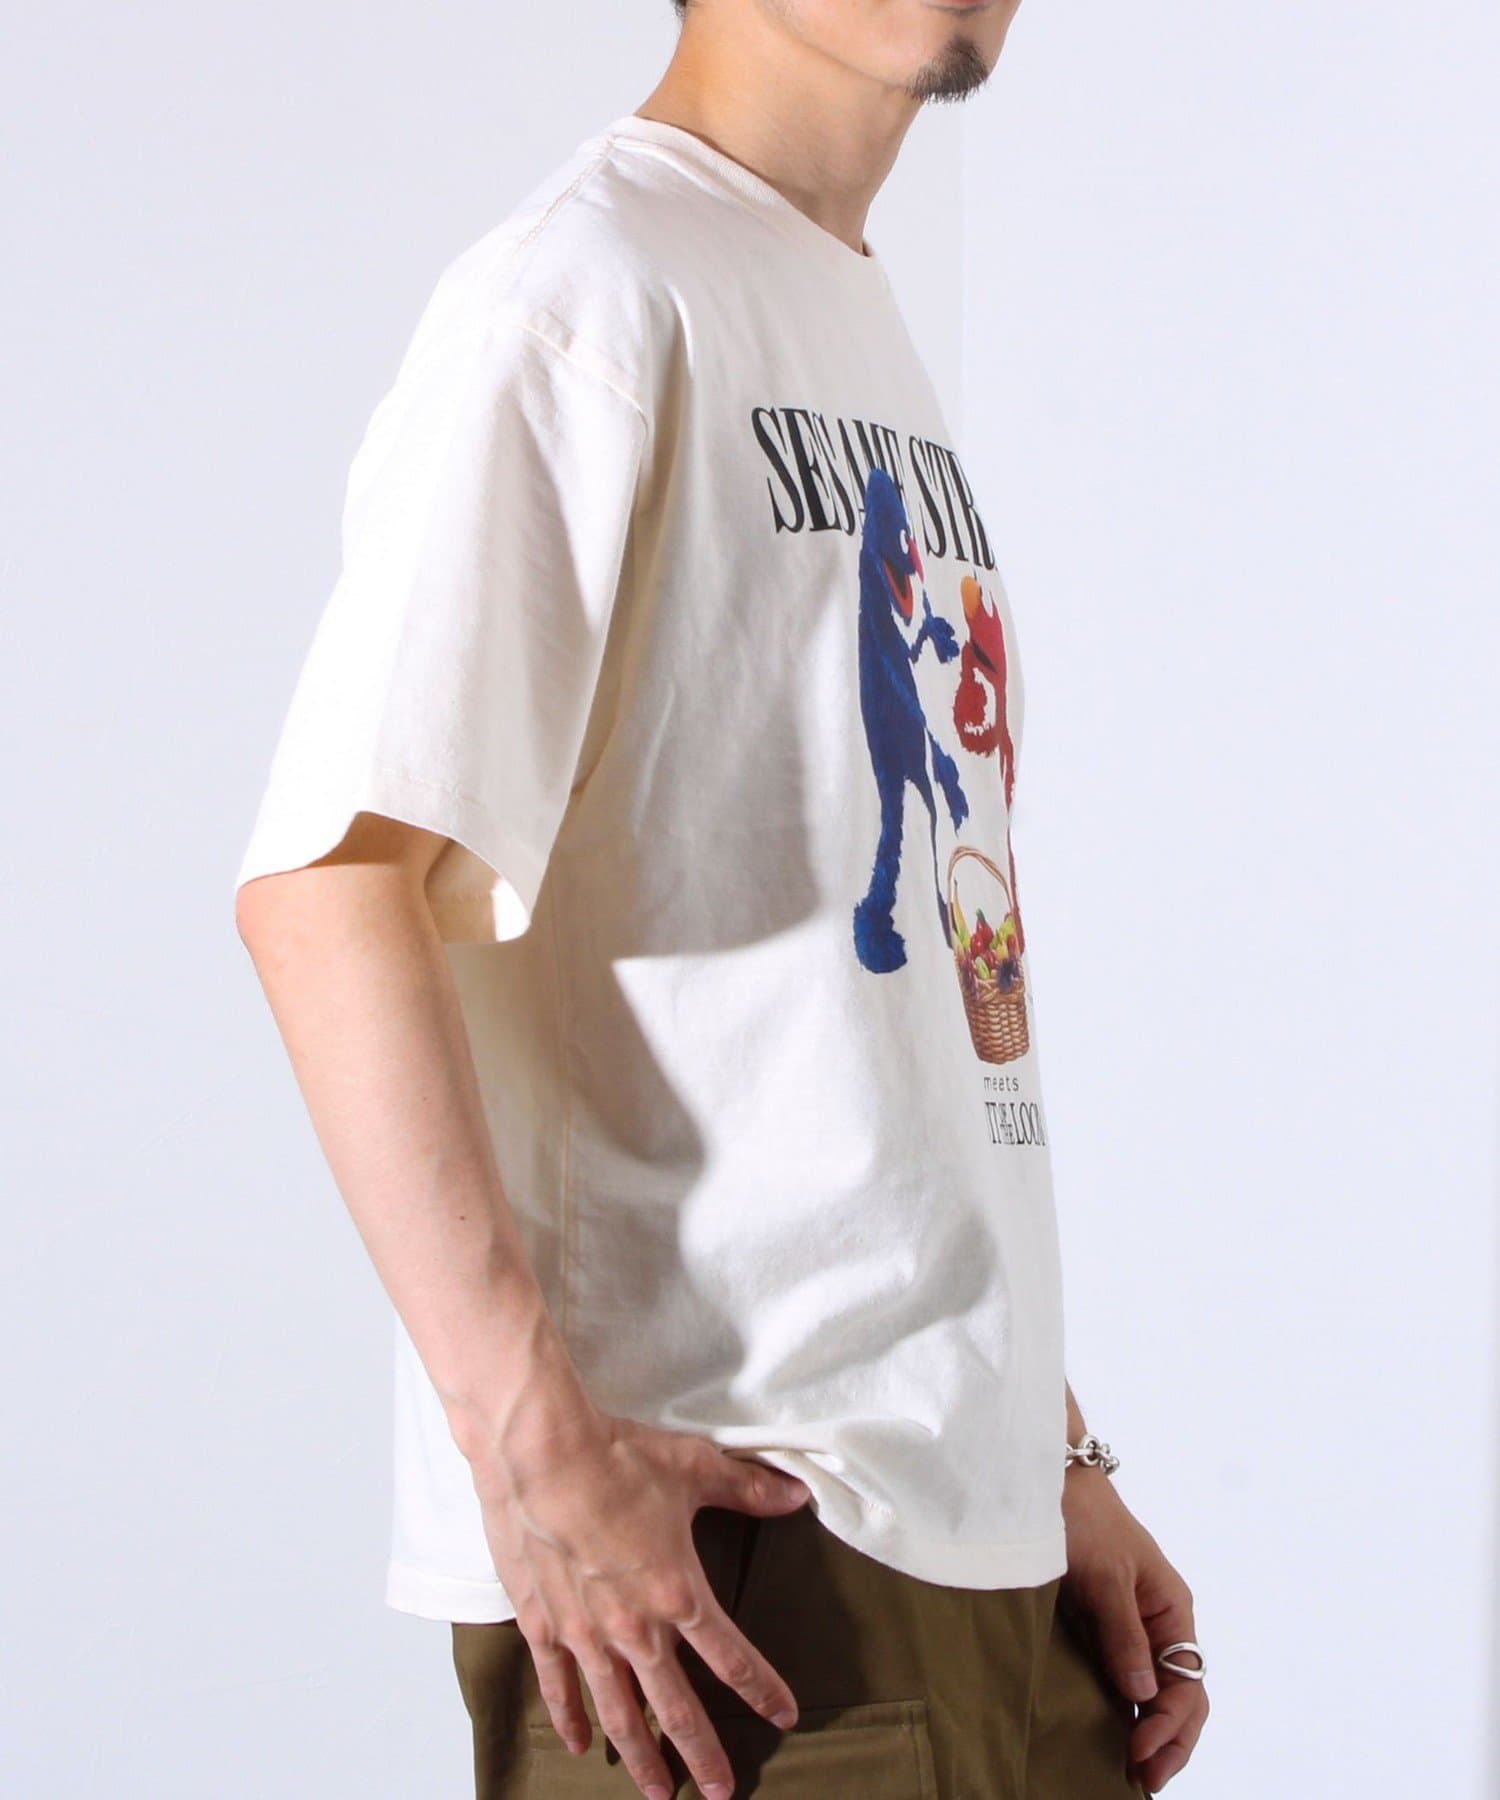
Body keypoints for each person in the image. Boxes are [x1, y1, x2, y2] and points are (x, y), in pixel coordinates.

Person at [235, 1, 1211, 1794]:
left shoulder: (831, 303)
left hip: (960, 1542)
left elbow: (873, 998)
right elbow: (328, 887)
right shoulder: (581, 298)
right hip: (732, 1570)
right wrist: (529, 1446)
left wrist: (1046, 1455)